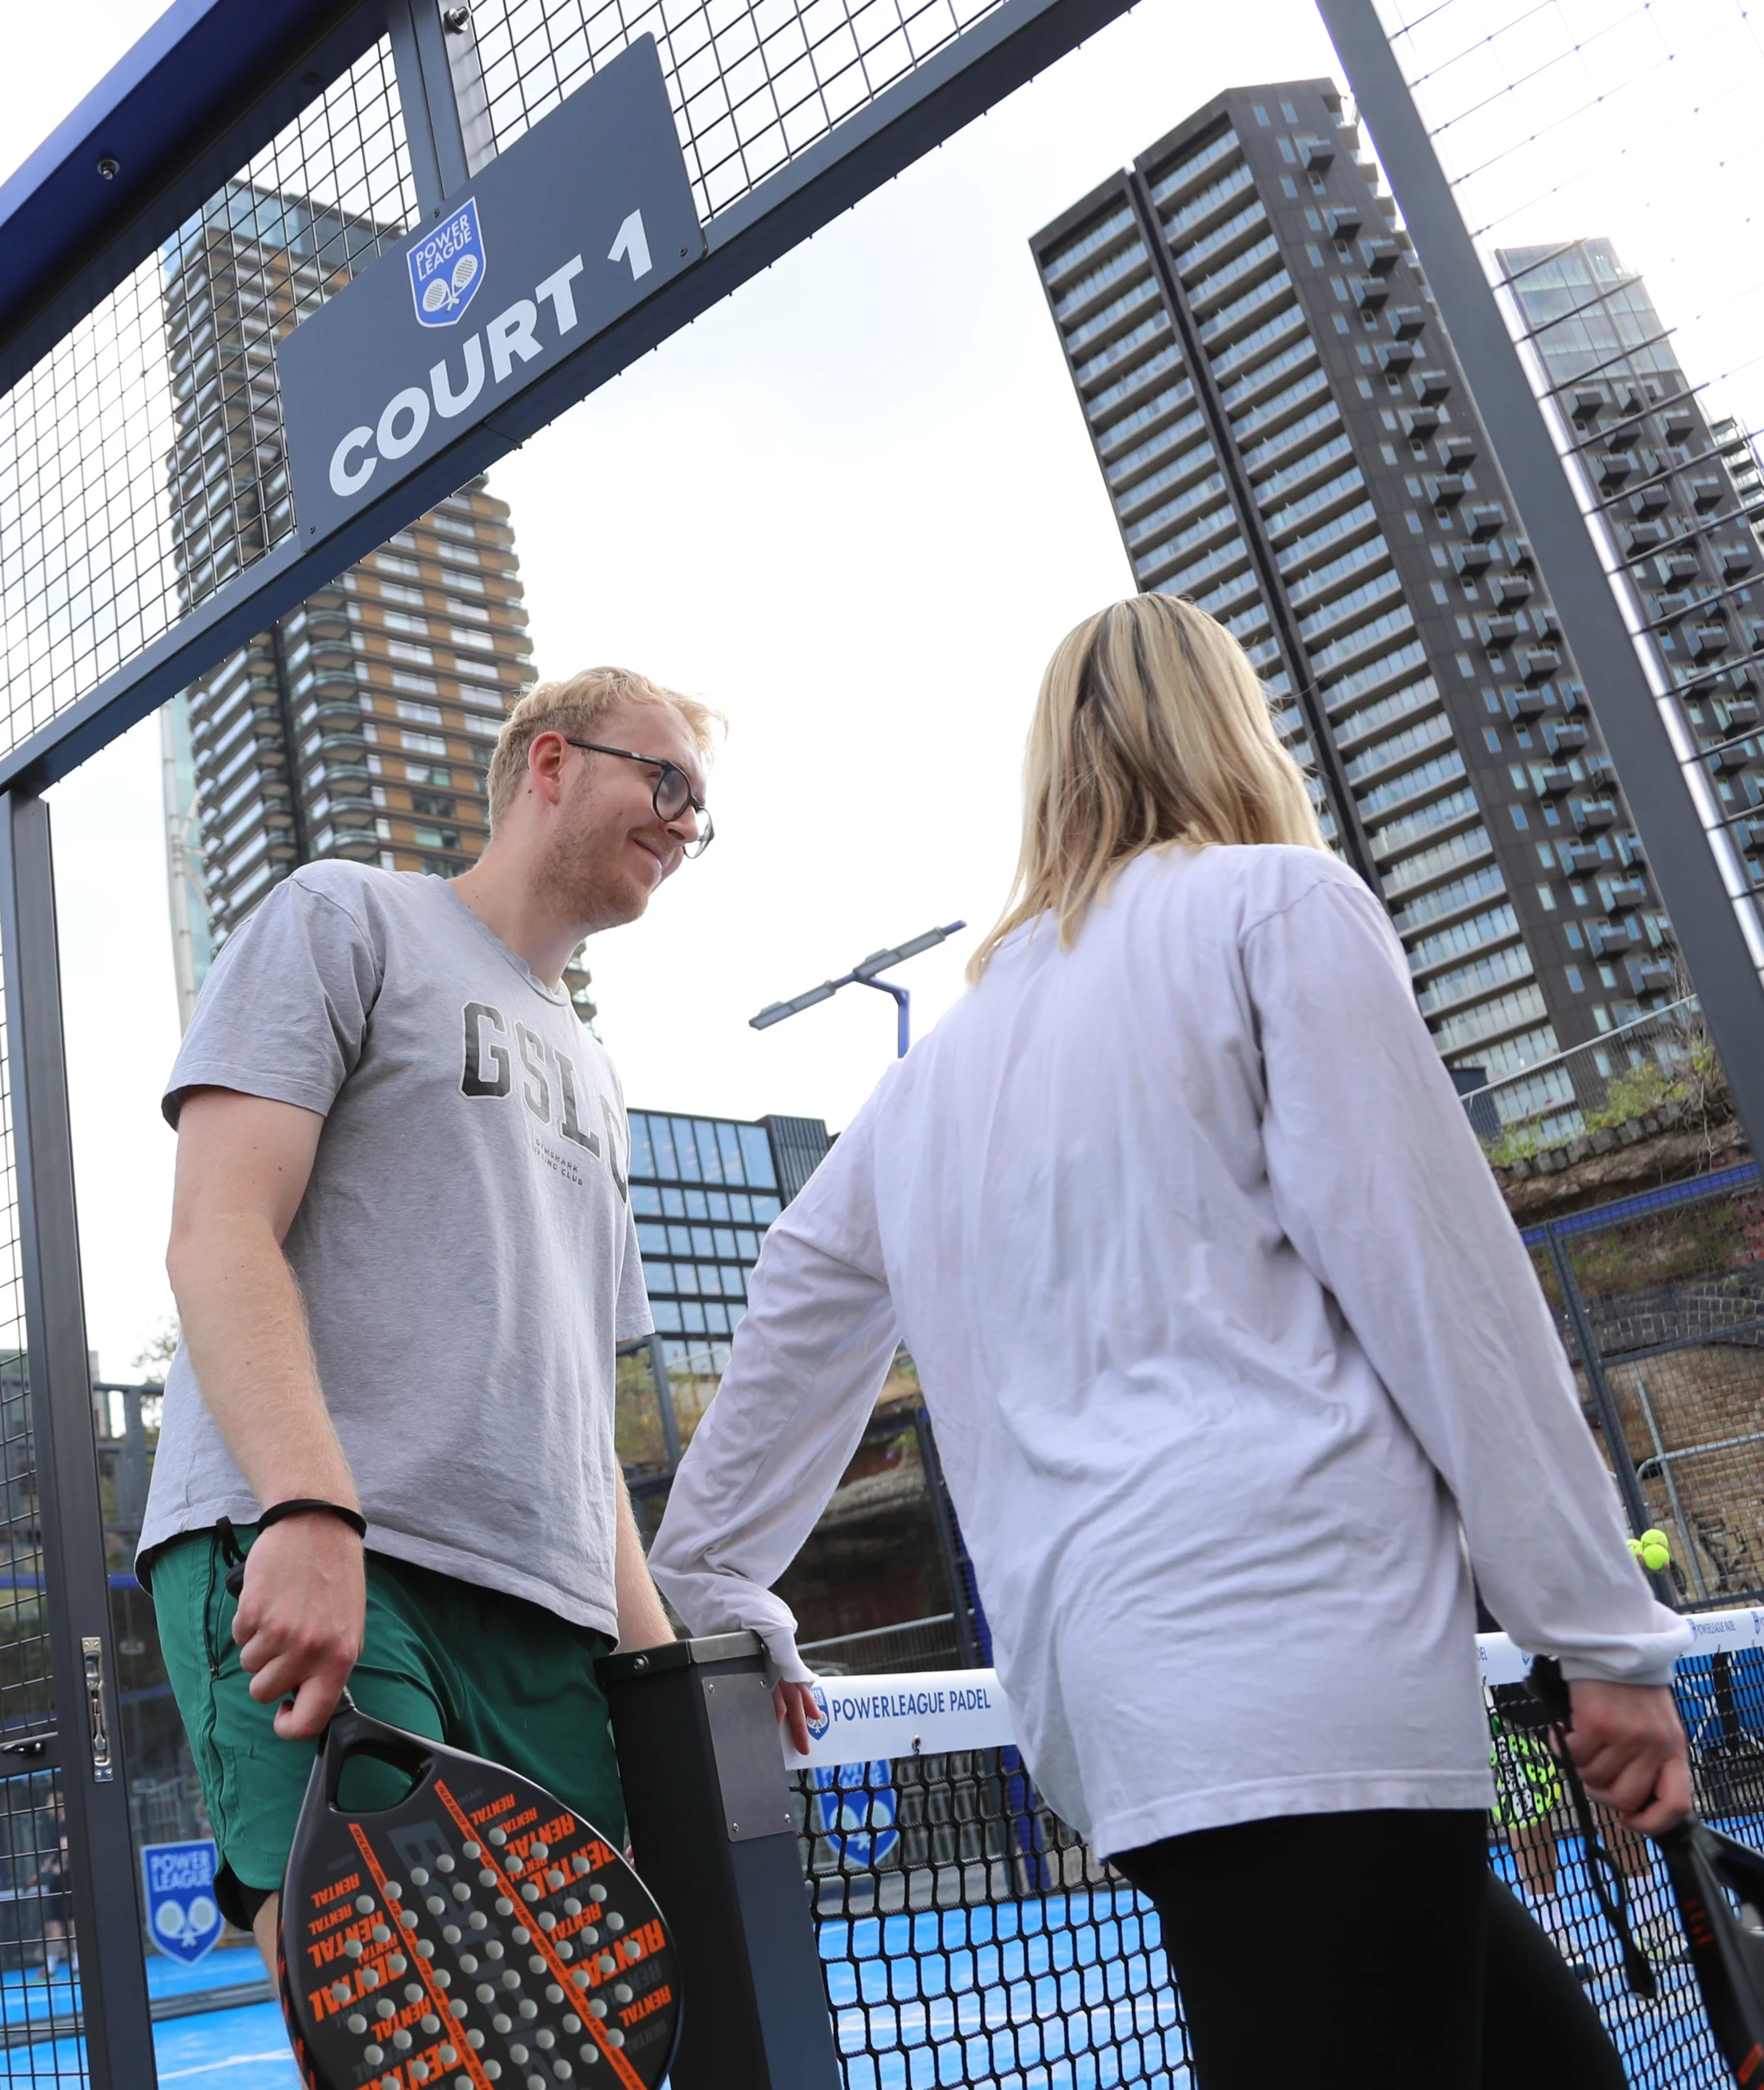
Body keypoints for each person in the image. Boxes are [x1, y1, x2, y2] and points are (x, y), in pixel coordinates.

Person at [648, 594, 1693, 2086]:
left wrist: (710, 1586)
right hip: (1310, 1669)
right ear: (1236, 727)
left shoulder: (928, 1080)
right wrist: (1600, 1632)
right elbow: (1445, 1294)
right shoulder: (1279, 907)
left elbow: (791, 1309)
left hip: (1120, 1719)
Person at [138, 665, 711, 1977]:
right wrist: (306, 1508)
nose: (685, 825)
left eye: (701, 811)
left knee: (562, 2047)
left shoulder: (601, 1079)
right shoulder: (346, 915)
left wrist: (670, 1678)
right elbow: (216, 1228)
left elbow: (578, 1414)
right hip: (335, 1557)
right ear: (552, 765)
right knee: (411, 2038)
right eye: (665, 781)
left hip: (543, 1621)